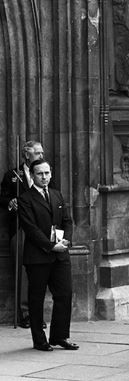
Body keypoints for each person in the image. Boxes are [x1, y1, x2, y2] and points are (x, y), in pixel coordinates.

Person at [18, 159, 77, 351]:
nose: (44, 177)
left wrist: (66, 241)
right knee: (36, 299)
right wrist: (51, 246)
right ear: (33, 176)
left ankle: (59, 336)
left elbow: (67, 221)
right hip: (38, 257)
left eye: (47, 173)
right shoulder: (25, 199)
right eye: (40, 174)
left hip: (60, 255)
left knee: (65, 294)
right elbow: (31, 229)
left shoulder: (56, 194)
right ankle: (39, 340)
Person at [0, 140, 45, 328]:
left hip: (39, 229)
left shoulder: (45, 174)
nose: (41, 156)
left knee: (40, 273)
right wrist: (10, 202)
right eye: (38, 153)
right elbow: (2, 196)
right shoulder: (13, 175)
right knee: (23, 273)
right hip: (20, 229)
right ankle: (25, 314)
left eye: (42, 153)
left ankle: (37, 315)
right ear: (27, 155)